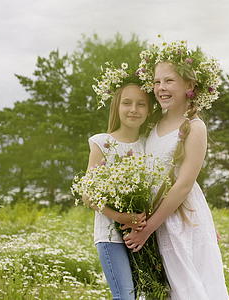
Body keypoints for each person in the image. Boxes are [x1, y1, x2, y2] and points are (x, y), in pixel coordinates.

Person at [123, 41, 229, 299]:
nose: (161, 88)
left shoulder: (194, 127)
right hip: (157, 216)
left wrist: (147, 229)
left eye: (169, 81)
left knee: (187, 287)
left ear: (189, 86)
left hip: (180, 219)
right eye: (157, 82)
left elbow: (183, 185)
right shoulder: (153, 124)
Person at [84, 82, 153, 300]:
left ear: (149, 109)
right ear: (116, 106)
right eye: (127, 103)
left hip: (143, 233)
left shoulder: (149, 144)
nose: (134, 109)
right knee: (125, 295)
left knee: (146, 294)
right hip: (111, 235)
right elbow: (88, 194)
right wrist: (120, 217)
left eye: (141, 104)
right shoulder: (102, 143)